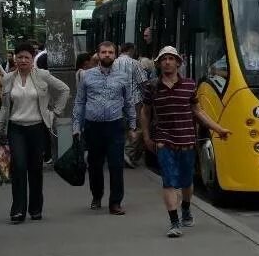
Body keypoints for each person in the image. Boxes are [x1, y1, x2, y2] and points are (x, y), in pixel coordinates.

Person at [141, 46, 231, 238]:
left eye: (171, 59)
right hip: (164, 140)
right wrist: (146, 136)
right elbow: (145, 112)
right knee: (168, 181)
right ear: (158, 63)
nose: (167, 62)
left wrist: (219, 129)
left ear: (178, 63)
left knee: (186, 182)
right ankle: (174, 222)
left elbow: (198, 111)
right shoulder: (152, 86)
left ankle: (186, 208)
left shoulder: (190, 85)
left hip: (187, 140)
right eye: (163, 59)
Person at [0, 42, 69, 224]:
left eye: (27, 57)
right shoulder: (8, 78)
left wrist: (55, 112)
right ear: (15, 59)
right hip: (16, 128)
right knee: (18, 166)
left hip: (37, 127)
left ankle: (35, 208)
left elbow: (64, 90)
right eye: (20, 57)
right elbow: (4, 107)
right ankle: (18, 210)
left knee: (35, 168)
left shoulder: (42, 75)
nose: (23, 60)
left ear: (32, 59)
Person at [72, 41, 136, 215]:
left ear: (115, 54)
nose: (107, 55)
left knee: (116, 165)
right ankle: (97, 195)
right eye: (103, 52)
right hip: (93, 127)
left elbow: (129, 102)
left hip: (115, 126)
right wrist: (76, 126)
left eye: (110, 52)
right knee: (95, 165)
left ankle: (115, 202)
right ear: (98, 54)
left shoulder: (123, 76)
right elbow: (80, 102)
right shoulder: (86, 76)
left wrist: (132, 126)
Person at [112, 43, 148, 169]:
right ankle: (128, 153)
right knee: (137, 128)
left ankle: (119, 153)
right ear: (131, 50)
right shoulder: (135, 63)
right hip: (134, 101)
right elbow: (143, 83)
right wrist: (148, 99)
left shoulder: (112, 63)